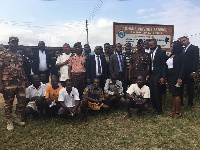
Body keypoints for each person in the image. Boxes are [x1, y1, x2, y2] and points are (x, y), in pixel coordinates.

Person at [0, 36, 28, 130]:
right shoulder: (3, 54)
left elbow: (22, 68)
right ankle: (9, 121)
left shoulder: (19, 55)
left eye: (16, 42)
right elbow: (0, 69)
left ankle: (16, 117)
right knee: (9, 102)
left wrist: (25, 79)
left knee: (22, 100)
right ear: (9, 43)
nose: (15, 44)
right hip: (8, 82)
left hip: (19, 81)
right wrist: (0, 83)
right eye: (13, 42)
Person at [146, 39, 166, 115]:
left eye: (151, 45)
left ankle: (159, 110)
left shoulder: (161, 52)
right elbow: (150, 65)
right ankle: (154, 108)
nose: (150, 47)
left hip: (158, 74)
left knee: (157, 92)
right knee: (152, 92)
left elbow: (164, 65)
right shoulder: (151, 53)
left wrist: (163, 77)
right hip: (152, 75)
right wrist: (148, 75)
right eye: (149, 45)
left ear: (156, 44)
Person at [166, 41, 185, 118]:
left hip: (177, 78)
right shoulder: (171, 55)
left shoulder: (181, 55)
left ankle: (177, 112)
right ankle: (173, 110)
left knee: (177, 94)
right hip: (170, 78)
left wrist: (180, 78)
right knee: (173, 94)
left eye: (172, 46)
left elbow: (183, 68)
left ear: (176, 47)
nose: (171, 48)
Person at [180, 36, 199, 107]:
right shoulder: (182, 49)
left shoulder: (194, 48)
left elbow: (195, 60)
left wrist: (194, 71)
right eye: (182, 41)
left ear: (188, 40)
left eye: (184, 40)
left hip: (190, 71)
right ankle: (181, 101)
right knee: (180, 87)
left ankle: (190, 103)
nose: (183, 42)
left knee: (190, 88)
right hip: (182, 72)